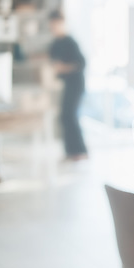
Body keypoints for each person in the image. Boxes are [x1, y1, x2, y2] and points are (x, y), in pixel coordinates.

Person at [48, 10, 88, 161]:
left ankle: (80, 151)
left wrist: (64, 68)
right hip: (65, 84)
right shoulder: (55, 43)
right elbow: (52, 61)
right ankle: (70, 151)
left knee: (70, 116)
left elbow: (81, 63)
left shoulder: (70, 41)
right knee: (65, 116)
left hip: (76, 84)